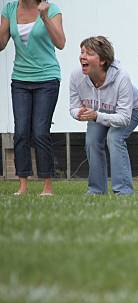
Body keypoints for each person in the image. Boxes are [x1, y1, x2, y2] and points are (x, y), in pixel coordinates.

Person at [0, 0, 65, 196]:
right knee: (20, 132)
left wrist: (44, 17)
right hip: (20, 79)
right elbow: (1, 44)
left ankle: (47, 186)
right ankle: (22, 185)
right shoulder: (10, 9)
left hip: (47, 78)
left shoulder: (51, 9)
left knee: (40, 132)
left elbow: (60, 43)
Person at [70, 36, 138, 195]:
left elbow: (124, 118)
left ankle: (124, 191)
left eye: (89, 53)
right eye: (82, 52)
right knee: (91, 141)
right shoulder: (77, 76)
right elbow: (74, 107)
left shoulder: (121, 77)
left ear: (103, 60)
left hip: (132, 110)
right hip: (97, 112)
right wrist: (80, 113)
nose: (82, 56)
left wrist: (96, 116)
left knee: (114, 138)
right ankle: (96, 191)